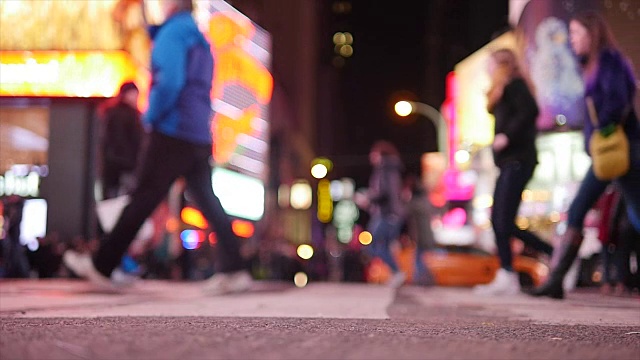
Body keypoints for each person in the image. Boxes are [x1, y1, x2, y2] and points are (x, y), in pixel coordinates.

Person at [63, 0, 252, 295]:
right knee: (206, 201)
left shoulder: (174, 34)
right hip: (198, 132)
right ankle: (235, 269)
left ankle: (102, 265)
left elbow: (170, 82)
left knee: (142, 197)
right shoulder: (197, 36)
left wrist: (150, 117)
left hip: (172, 129)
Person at [531, 10, 640, 300]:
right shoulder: (592, 64)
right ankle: (555, 281)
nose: (573, 40)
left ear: (593, 34)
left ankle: (555, 281)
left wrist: (602, 126)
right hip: (607, 152)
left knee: (633, 212)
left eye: (578, 33)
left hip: (622, 149)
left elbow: (617, 101)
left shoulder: (609, 61)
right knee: (581, 210)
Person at [473, 48, 553, 296]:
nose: (487, 69)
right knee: (501, 221)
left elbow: (530, 111)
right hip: (510, 162)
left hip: (518, 160)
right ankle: (516, 269)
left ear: (503, 65)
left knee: (501, 220)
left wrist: (507, 135)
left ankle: (510, 272)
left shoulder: (515, 84)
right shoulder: (501, 92)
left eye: (490, 64)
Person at [354, 140, 406, 288]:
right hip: (389, 214)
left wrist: (367, 198)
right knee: (382, 246)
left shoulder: (385, 170)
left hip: (387, 214)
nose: (371, 157)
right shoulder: (391, 169)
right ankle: (396, 272)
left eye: (374, 154)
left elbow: (384, 193)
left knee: (372, 245)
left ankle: (397, 272)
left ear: (380, 155)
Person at [100, 81, 143, 200]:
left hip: (116, 169)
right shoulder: (125, 115)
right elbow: (120, 143)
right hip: (124, 168)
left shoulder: (113, 113)